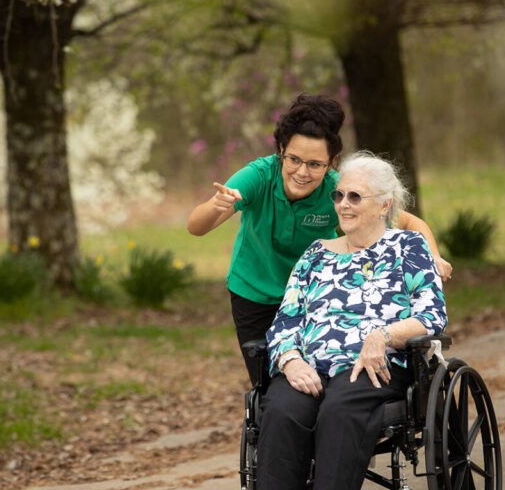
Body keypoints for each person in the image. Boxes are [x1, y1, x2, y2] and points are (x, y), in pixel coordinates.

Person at [187, 94, 451, 384]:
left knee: (319, 378)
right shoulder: (258, 177)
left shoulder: (338, 191)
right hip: (255, 293)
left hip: (313, 298)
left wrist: (433, 256)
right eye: (294, 160)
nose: (302, 172)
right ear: (280, 151)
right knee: (269, 386)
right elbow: (196, 227)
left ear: (331, 163)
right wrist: (216, 206)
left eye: (315, 164)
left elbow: (410, 222)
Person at [256, 151, 448, 490]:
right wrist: (289, 360)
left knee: (340, 410)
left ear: (385, 204)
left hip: (374, 366)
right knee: (283, 409)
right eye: (339, 195)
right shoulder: (315, 254)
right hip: (310, 368)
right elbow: (285, 320)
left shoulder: (407, 246)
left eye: (355, 196)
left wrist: (383, 336)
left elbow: (431, 315)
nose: (343, 204)